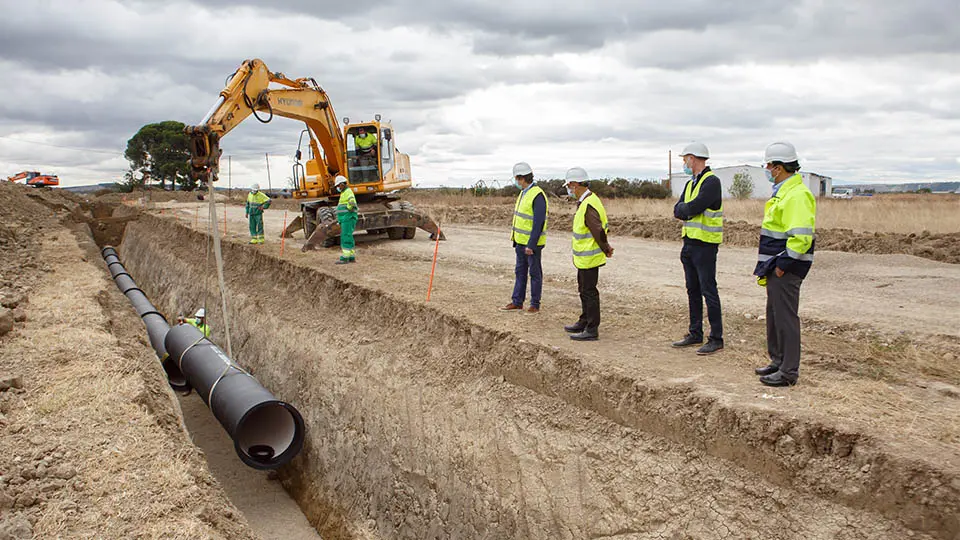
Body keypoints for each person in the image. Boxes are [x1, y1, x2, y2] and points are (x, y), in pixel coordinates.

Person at [753, 142, 816, 387]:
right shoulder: (784, 192)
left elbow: (801, 237)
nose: (766, 169)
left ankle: (789, 371)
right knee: (774, 315)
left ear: (778, 168)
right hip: (775, 266)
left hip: (785, 268)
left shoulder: (797, 195)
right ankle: (777, 361)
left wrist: (783, 265)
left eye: (769, 165)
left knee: (786, 317)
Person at [671, 142, 724, 355]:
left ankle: (716, 338)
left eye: (685, 159)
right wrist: (685, 209)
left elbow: (692, 207)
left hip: (706, 245)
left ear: (693, 158)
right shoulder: (691, 183)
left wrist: (686, 209)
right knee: (692, 289)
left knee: (708, 290)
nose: (684, 163)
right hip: (690, 243)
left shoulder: (711, 182)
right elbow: (679, 209)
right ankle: (695, 333)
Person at [562, 167, 613, 341]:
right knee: (583, 289)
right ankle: (584, 321)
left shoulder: (589, 203)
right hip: (584, 257)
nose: (569, 190)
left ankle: (592, 328)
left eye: (569, 186)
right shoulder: (586, 202)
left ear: (575, 184)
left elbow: (597, 230)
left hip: (589, 256)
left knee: (589, 291)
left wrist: (606, 248)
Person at [500, 162, 548, 313]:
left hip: (531, 245)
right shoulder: (523, 193)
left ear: (522, 178)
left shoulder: (537, 195)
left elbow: (538, 223)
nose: (516, 182)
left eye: (516, 178)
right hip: (520, 242)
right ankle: (517, 301)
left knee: (534, 273)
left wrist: (531, 245)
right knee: (520, 272)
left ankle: (534, 304)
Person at [334, 175, 358, 264]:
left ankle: (345, 257)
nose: (337, 187)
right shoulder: (344, 192)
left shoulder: (348, 192)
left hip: (347, 217)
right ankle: (351, 256)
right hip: (346, 217)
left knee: (345, 236)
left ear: (342, 184)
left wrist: (349, 208)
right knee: (348, 235)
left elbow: (352, 202)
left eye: (338, 185)